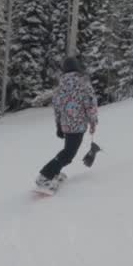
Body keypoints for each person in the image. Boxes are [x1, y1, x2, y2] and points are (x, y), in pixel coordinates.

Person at [37, 56, 98, 191]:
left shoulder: (60, 87)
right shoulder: (83, 84)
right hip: (78, 126)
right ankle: (44, 175)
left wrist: (58, 126)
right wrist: (93, 121)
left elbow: (57, 108)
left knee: (67, 151)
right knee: (68, 154)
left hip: (66, 126)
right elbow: (90, 104)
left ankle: (54, 172)